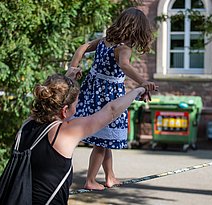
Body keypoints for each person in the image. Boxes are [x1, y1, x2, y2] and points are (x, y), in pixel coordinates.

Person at [0, 74, 146, 204]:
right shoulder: (64, 132)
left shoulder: (26, 125)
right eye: (76, 105)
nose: (77, 108)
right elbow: (111, 111)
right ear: (65, 110)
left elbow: (52, 99)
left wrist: (68, 80)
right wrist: (138, 90)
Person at [65, 7, 157, 190]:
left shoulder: (105, 41)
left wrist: (73, 68)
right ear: (138, 31)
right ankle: (90, 180)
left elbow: (82, 48)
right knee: (102, 142)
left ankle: (110, 176)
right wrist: (143, 82)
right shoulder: (124, 48)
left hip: (92, 92)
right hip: (108, 97)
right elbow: (124, 65)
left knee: (104, 140)